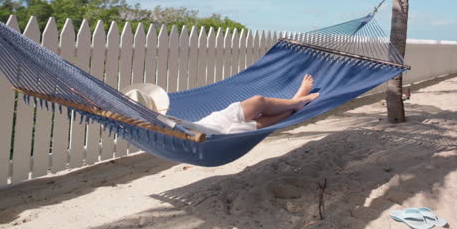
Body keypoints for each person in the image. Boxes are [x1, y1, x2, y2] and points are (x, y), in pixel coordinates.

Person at [124, 74, 319, 135]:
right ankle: (297, 102)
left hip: (211, 121)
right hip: (217, 136)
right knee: (242, 129)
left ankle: (295, 102)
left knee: (258, 101)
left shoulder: (156, 120)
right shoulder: (153, 129)